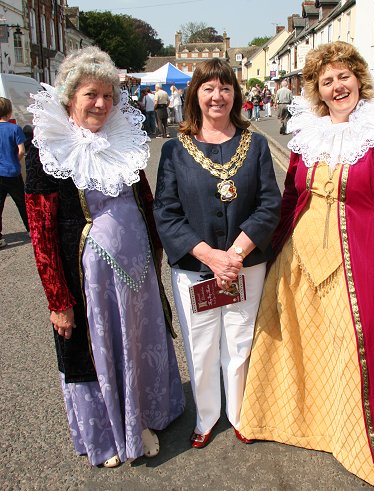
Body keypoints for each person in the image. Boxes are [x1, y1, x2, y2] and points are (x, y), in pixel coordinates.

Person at [239, 41, 374, 486]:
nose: (336, 86)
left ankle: (357, 437)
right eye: (326, 81)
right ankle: (301, 421)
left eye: (343, 76)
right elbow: (292, 194)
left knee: (359, 339)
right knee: (297, 335)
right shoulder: (308, 134)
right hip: (302, 252)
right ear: (316, 90)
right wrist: (263, 246)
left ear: (358, 79)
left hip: (365, 247)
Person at [25, 46, 184, 468]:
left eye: (107, 95)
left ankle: (144, 417)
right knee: (97, 350)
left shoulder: (125, 142)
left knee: (138, 342)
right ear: (70, 98)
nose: (100, 103)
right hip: (88, 280)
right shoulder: (48, 147)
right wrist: (58, 300)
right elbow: (40, 232)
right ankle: (111, 432)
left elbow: (144, 201)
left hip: (137, 273)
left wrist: (158, 251)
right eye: (90, 95)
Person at [154, 58, 281, 449]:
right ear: (195, 94)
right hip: (196, 267)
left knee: (240, 341)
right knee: (201, 344)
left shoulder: (256, 143)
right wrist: (211, 256)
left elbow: (268, 204)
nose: (217, 96)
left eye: (225, 88)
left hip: (245, 266)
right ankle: (207, 415)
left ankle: (239, 413)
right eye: (208, 88)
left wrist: (237, 253)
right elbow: (166, 211)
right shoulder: (175, 150)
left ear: (235, 95)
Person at [0, 97, 29, 248]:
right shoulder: (14, 129)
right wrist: (15, 160)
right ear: (9, 112)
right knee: (21, 203)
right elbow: (21, 150)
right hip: (12, 172)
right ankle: (30, 230)